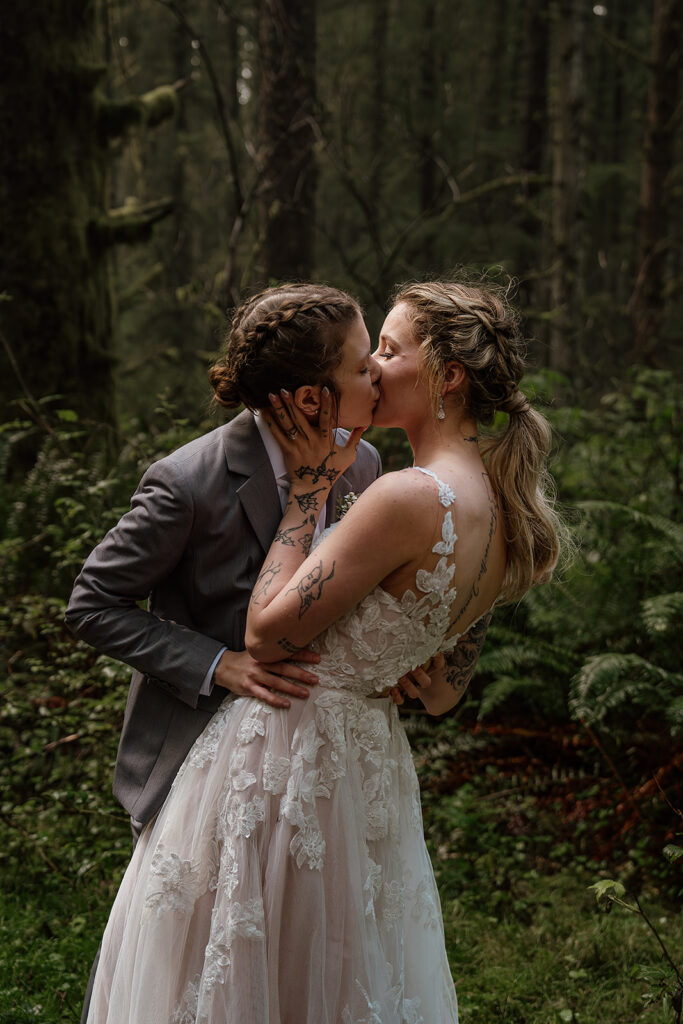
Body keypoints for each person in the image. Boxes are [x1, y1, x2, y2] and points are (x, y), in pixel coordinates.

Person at [84, 278, 563, 1023]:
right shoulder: (503, 505)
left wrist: (309, 493)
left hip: (292, 760)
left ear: (448, 376)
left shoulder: (405, 492)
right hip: (364, 766)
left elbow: (266, 632)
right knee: (337, 970)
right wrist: (409, 665)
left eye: (391, 349)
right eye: (369, 350)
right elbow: (444, 689)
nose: (374, 366)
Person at [66, 283, 383, 1022]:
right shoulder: (187, 483)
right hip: (207, 766)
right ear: (311, 399)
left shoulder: (363, 467)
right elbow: (91, 603)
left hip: (316, 767)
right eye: (363, 366)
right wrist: (217, 664)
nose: (379, 377)